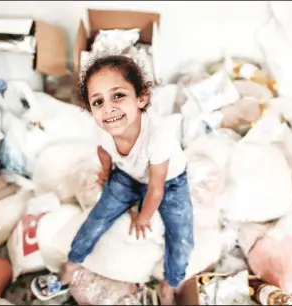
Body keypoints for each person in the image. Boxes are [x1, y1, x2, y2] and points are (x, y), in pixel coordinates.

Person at [60, 55, 195, 305]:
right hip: (127, 176)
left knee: (182, 235)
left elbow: (156, 190)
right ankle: (72, 262)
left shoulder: (158, 136)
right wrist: (106, 171)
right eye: (98, 102)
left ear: (141, 98)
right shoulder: (103, 128)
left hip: (169, 183)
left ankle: (171, 282)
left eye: (118, 96)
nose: (108, 108)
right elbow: (103, 150)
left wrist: (143, 217)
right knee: (97, 219)